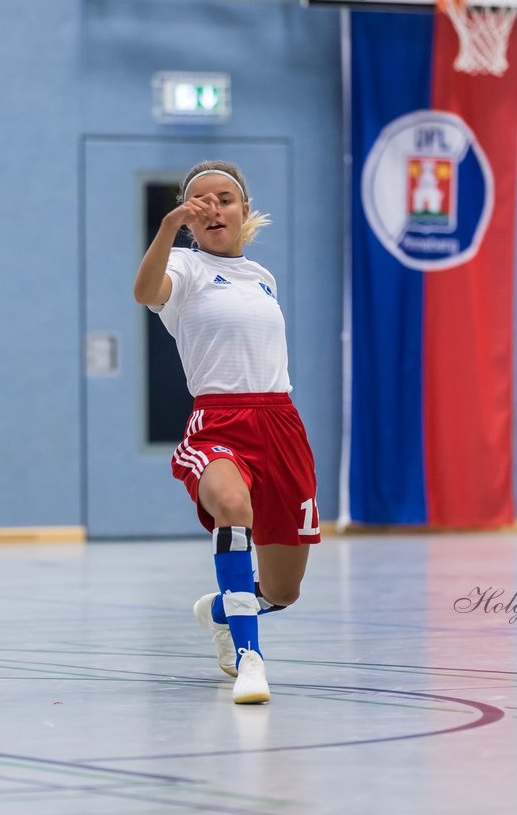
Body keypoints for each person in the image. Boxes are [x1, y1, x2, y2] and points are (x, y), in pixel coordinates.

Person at [133, 160, 320, 705]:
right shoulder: (184, 268)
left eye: (225, 198)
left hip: (281, 423)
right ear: (190, 218)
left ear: (244, 210)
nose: (213, 207)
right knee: (231, 505)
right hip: (219, 421)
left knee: (284, 591)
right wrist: (168, 229)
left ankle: (219, 609)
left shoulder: (263, 278)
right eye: (200, 201)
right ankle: (250, 660)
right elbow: (145, 291)